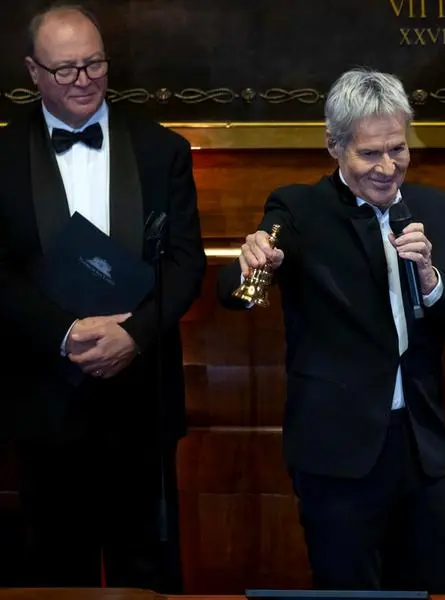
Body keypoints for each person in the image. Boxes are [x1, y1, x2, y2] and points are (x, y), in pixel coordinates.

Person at [216, 67, 445, 592]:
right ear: (334, 145)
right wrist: (253, 265)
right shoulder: (299, 209)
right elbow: (234, 291)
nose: (388, 167)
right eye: (370, 153)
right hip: (337, 457)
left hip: (419, 450)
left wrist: (433, 281)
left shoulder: (440, 211)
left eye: (398, 149)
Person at [0, 3, 206, 592]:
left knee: (148, 571)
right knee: (53, 572)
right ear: (33, 72)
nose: (84, 79)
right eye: (65, 69)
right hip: (44, 403)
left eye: (94, 64)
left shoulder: (161, 149)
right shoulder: (4, 156)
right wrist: (65, 335)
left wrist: (133, 336)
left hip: (141, 403)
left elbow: (184, 262)